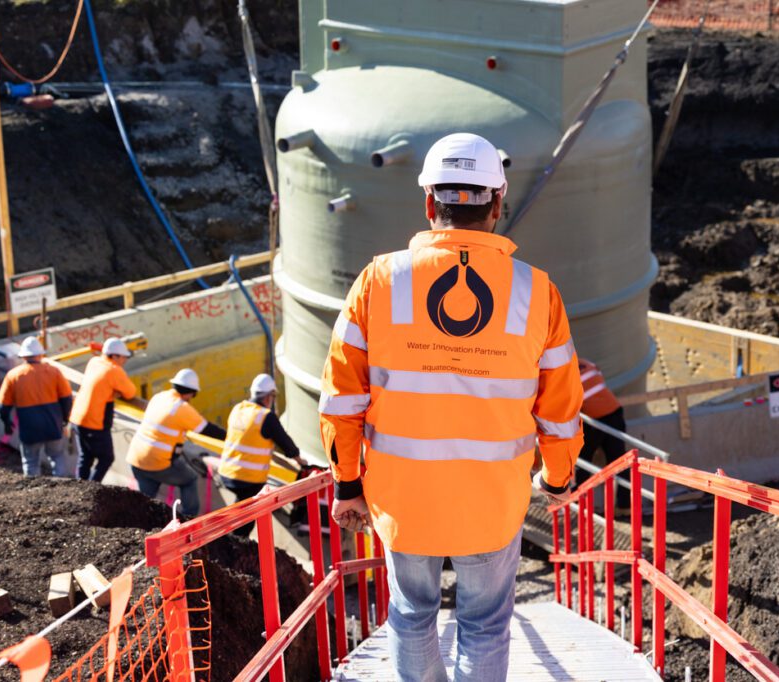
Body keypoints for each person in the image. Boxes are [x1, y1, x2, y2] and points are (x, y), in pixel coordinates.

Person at [319, 132, 584, 681]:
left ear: (428, 202)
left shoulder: (378, 281)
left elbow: (342, 396)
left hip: (403, 495)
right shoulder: (538, 292)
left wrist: (347, 482)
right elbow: (560, 409)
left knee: (411, 614)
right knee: (485, 622)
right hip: (491, 500)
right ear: (497, 202)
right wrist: (557, 480)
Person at [125, 368, 226, 517]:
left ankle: (140, 523)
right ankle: (188, 517)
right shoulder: (182, 408)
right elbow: (207, 429)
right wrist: (230, 438)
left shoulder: (159, 397)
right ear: (192, 392)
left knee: (145, 500)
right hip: (157, 462)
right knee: (189, 479)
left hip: (136, 458)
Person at [218, 373, 301, 536]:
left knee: (241, 506)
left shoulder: (238, 409)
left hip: (226, 473)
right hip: (247, 479)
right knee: (247, 518)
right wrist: (300, 460)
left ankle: (232, 537)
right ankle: (237, 542)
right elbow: (285, 443)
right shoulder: (265, 416)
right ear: (269, 397)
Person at [0, 336, 73, 477]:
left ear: (23, 356)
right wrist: (65, 418)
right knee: (57, 457)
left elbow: (2, 406)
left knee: (30, 462)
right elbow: (67, 399)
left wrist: (6, 423)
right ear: (41, 354)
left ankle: (33, 491)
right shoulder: (54, 372)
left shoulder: (13, 375)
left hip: (29, 428)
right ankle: (64, 488)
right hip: (52, 425)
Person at [69, 337, 138, 481]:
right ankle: (93, 489)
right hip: (93, 422)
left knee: (85, 457)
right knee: (106, 458)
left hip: (77, 418)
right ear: (114, 356)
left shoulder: (94, 362)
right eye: (123, 357)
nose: (124, 361)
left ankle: (80, 489)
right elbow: (131, 393)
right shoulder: (113, 370)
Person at [574, 357, 629, 489]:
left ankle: (578, 501)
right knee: (619, 461)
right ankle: (625, 506)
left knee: (582, 461)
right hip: (614, 412)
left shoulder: (561, 373)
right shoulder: (587, 363)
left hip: (594, 420)